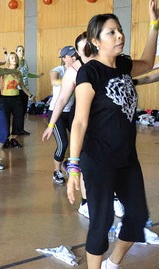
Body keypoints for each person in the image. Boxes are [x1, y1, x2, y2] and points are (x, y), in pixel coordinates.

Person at [67, 1, 157, 267]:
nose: (119, 36)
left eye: (119, 30)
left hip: (127, 158)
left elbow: (149, 62)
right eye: (111, 32)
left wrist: (154, 24)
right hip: (98, 160)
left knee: (137, 217)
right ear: (96, 40)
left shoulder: (124, 66)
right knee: (102, 221)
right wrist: (73, 168)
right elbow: (80, 122)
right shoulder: (90, 72)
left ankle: (112, 264)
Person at [41, 32, 125, 220]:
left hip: (107, 121)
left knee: (111, 160)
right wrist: (51, 124)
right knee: (87, 162)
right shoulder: (75, 71)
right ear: (79, 52)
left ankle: (113, 197)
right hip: (82, 119)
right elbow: (61, 99)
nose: (88, 51)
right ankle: (86, 203)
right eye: (83, 49)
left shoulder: (107, 63)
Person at [46, 46, 77, 184]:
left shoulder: (78, 70)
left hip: (71, 112)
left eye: (75, 54)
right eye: (71, 56)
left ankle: (69, 164)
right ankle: (57, 171)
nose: (75, 57)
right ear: (64, 59)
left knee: (81, 139)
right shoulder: (59, 70)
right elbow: (53, 80)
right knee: (63, 143)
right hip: (56, 113)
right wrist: (67, 83)